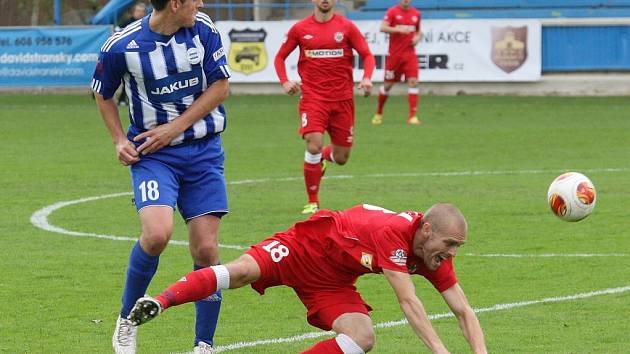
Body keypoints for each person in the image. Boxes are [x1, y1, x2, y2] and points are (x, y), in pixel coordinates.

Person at [129, 203, 488, 353]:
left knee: (362, 337)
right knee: (239, 273)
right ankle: (159, 302)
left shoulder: (434, 254)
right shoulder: (395, 234)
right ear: (426, 229)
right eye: (450, 244)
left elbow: (464, 311)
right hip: (305, 246)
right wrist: (441, 350)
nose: (452, 253)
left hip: (333, 279)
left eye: (458, 246)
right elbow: (408, 301)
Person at [91, 0, 231, 353]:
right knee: (156, 235)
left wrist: (176, 128)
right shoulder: (122, 46)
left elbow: (220, 87)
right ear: (174, 3)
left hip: (203, 152)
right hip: (154, 156)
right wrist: (118, 139)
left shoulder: (203, 30)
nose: (200, 4)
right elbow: (102, 91)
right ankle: (126, 321)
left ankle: (204, 344)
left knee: (207, 249)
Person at [274, 0, 376, 214]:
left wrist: (366, 78)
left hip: (343, 100)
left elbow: (367, 55)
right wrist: (285, 81)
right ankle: (313, 201)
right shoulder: (300, 29)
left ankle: (321, 160)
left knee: (342, 158)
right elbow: (280, 57)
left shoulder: (346, 27)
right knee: (314, 144)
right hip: (313, 98)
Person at [371, 0, 422, 126]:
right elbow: (382, 27)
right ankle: (378, 113)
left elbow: (419, 31)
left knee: (413, 82)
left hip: (410, 55)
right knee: (388, 86)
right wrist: (396, 29)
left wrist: (417, 38)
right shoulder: (392, 11)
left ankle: (412, 117)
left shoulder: (416, 13)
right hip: (394, 56)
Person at [115, 2, 148, 107]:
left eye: (142, 11)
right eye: (138, 11)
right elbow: (116, 35)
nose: (140, 13)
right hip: (127, 54)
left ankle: (125, 99)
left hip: (142, 55)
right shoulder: (126, 23)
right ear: (133, 12)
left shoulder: (148, 22)